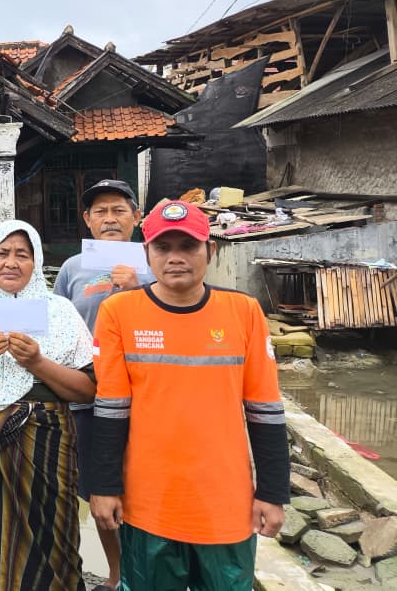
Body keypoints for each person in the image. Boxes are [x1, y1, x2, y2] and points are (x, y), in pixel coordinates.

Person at [90, 201, 289, 590]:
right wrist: (104, 486)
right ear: (146, 253)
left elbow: (265, 410)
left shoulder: (243, 312)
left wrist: (273, 491)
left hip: (226, 504)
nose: (176, 258)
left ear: (210, 252)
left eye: (189, 246)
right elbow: (111, 409)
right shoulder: (118, 312)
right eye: (163, 248)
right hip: (149, 504)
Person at [0, 220, 94, 591]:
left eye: (22, 255)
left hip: (47, 438)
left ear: (36, 261)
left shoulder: (60, 310)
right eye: (2, 253)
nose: (11, 263)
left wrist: (38, 363)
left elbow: (87, 389)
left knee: (52, 530)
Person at [53, 179, 151, 591]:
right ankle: (116, 575)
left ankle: (149, 572)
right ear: (88, 221)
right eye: (101, 212)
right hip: (90, 397)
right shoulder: (73, 268)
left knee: (145, 487)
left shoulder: (156, 263)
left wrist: (140, 291)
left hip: (146, 395)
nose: (110, 219)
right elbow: (57, 324)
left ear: (136, 217)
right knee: (99, 490)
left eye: (119, 210)